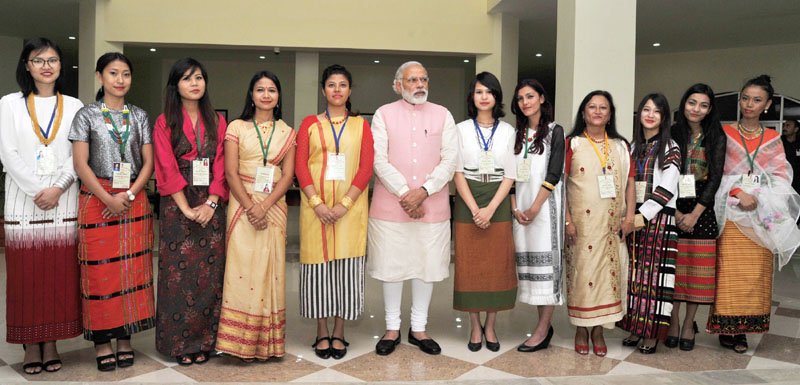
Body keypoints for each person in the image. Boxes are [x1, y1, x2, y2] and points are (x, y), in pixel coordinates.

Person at [0, 37, 82, 375]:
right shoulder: (9, 104)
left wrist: (58, 187)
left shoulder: (75, 106)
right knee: (25, 277)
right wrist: (38, 190)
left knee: (59, 276)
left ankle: (52, 342)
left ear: (60, 66)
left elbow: (78, 155)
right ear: (27, 66)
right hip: (24, 202)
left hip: (64, 203)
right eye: (38, 59)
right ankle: (30, 343)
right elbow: (7, 153)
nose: (46, 65)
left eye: (52, 59)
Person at [69, 52, 155, 371]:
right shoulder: (86, 115)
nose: (120, 80)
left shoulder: (140, 115)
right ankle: (103, 340)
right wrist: (107, 197)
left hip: (133, 198)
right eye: (113, 73)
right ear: (99, 77)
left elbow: (148, 163)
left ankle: (124, 338)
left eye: (126, 74)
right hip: (96, 198)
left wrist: (129, 193)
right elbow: (80, 164)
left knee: (132, 270)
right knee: (100, 271)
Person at [368, 61, 457, 356]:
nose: (419, 85)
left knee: (426, 267)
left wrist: (424, 192)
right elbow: (378, 159)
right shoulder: (383, 114)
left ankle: (419, 328)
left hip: (432, 207)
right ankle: (392, 328)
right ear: (398, 85)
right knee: (392, 268)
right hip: (391, 208)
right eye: (412, 80)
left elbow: (449, 160)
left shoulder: (443, 115)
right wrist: (407, 194)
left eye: (423, 79)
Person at [708, 75, 800, 353]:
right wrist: (738, 193)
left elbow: (781, 176)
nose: (749, 104)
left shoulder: (773, 139)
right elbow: (716, 174)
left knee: (756, 274)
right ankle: (727, 327)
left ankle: (745, 331)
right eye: (745, 98)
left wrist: (756, 196)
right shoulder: (724, 134)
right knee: (730, 273)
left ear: (768, 105)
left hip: (760, 214)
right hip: (732, 214)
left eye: (757, 100)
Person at [216, 70, 296, 361]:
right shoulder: (236, 127)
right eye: (260, 89)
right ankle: (237, 343)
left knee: (269, 270)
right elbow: (230, 172)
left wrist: (265, 206)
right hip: (242, 204)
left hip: (274, 205)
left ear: (278, 96)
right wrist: (251, 206)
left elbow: (288, 176)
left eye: (271, 90)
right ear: (251, 95)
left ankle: (267, 343)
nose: (266, 95)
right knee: (241, 269)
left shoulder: (288, 132)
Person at [153, 58, 228, 365]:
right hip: (176, 204)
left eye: (198, 77)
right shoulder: (164, 121)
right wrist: (185, 207)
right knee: (178, 276)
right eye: (186, 79)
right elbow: (165, 165)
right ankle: (180, 344)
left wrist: (211, 202)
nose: (194, 83)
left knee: (210, 275)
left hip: (212, 203)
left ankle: (205, 341)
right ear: (176, 86)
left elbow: (223, 162)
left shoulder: (218, 120)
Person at [295, 64, 373, 360]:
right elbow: (301, 166)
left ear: (349, 91)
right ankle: (321, 330)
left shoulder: (361, 126)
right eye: (331, 84)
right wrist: (318, 204)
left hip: (350, 211)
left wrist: (344, 205)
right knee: (319, 269)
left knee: (345, 270)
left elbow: (366, 168)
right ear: (323, 90)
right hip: (315, 209)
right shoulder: (309, 125)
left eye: (342, 84)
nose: (337, 90)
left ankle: (339, 331)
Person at [564, 90, 635, 356]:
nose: (597, 111)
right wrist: (567, 220)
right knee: (582, 275)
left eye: (603, 107)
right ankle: (581, 328)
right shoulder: (572, 144)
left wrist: (630, 218)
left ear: (610, 114)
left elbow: (630, 182)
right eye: (591, 107)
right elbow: (560, 186)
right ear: (583, 113)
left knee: (607, 276)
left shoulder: (620, 146)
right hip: (580, 227)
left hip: (610, 226)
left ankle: (598, 330)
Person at [453, 71, 516, 352]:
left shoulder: (508, 131)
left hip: (498, 200)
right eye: (478, 91)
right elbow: (456, 173)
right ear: (472, 97)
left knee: (496, 265)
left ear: (496, 97)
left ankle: (490, 326)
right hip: (468, 198)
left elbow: (511, 175)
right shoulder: (460, 129)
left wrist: (490, 209)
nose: (484, 96)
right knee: (470, 265)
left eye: (489, 92)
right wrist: (475, 208)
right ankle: (474, 325)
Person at [618, 93, 680, 354]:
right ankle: (635, 327)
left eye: (656, 111)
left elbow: (667, 189)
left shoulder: (670, 148)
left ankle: (652, 334)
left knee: (654, 279)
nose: (650, 115)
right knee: (634, 275)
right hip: (633, 219)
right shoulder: (632, 147)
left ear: (664, 117)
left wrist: (641, 217)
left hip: (658, 220)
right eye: (646, 109)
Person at [666, 84, 726, 351]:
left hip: (703, 206)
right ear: (684, 103)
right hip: (674, 201)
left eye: (703, 105)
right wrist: (677, 212)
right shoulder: (672, 132)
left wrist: (695, 214)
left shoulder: (716, 135)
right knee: (674, 267)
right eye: (692, 103)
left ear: (709, 109)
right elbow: (663, 172)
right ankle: (673, 321)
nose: (696, 109)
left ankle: (690, 322)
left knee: (697, 271)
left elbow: (716, 178)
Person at [509, 79, 564, 352]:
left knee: (546, 273)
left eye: (530, 96)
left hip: (544, 213)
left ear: (542, 98)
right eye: (520, 99)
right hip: (520, 213)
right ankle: (543, 325)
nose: (525, 102)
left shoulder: (555, 131)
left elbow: (554, 173)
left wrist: (534, 208)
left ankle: (542, 330)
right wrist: (515, 208)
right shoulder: (516, 133)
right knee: (531, 273)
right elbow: (510, 176)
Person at [781, 119, 800, 196]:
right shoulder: (778, 142)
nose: (784, 128)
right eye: (784, 125)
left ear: (796, 129)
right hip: (783, 180)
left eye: (788, 125)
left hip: (798, 181)